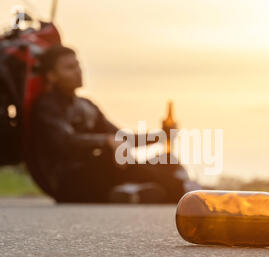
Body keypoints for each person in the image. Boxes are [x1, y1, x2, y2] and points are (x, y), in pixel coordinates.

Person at [30, 45, 201, 203]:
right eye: (69, 68)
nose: (78, 71)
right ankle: (181, 191)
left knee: (167, 160)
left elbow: (121, 137)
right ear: (51, 75)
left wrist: (161, 135)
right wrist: (105, 141)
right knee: (110, 155)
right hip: (70, 182)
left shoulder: (86, 105)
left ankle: (135, 192)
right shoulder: (47, 107)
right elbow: (65, 141)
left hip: (99, 176)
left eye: (78, 65)